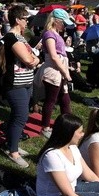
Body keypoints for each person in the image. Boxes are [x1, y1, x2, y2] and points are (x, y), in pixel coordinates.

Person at [0, 5, 40, 167]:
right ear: (17, 20)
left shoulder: (21, 37)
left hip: (26, 82)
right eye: (25, 19)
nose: (27, 22)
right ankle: (13, 152)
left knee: (17, 115)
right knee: (21, 117)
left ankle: (11, 144)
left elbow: (30, 57)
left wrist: (33, 59)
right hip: (15, 84)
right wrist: (35, 60)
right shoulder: (12, 38)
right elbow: (30, 60)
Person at [36, 9, 73, 139]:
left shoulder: (56, 34)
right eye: (63, 22)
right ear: (56, 21)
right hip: (53, 70)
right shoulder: (49, 34)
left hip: (60, 69)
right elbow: (53, 56)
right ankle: (45, 128)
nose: (65, 25)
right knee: (51, 100)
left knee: (65, 100)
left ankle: (68, 126)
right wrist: (66, 73)